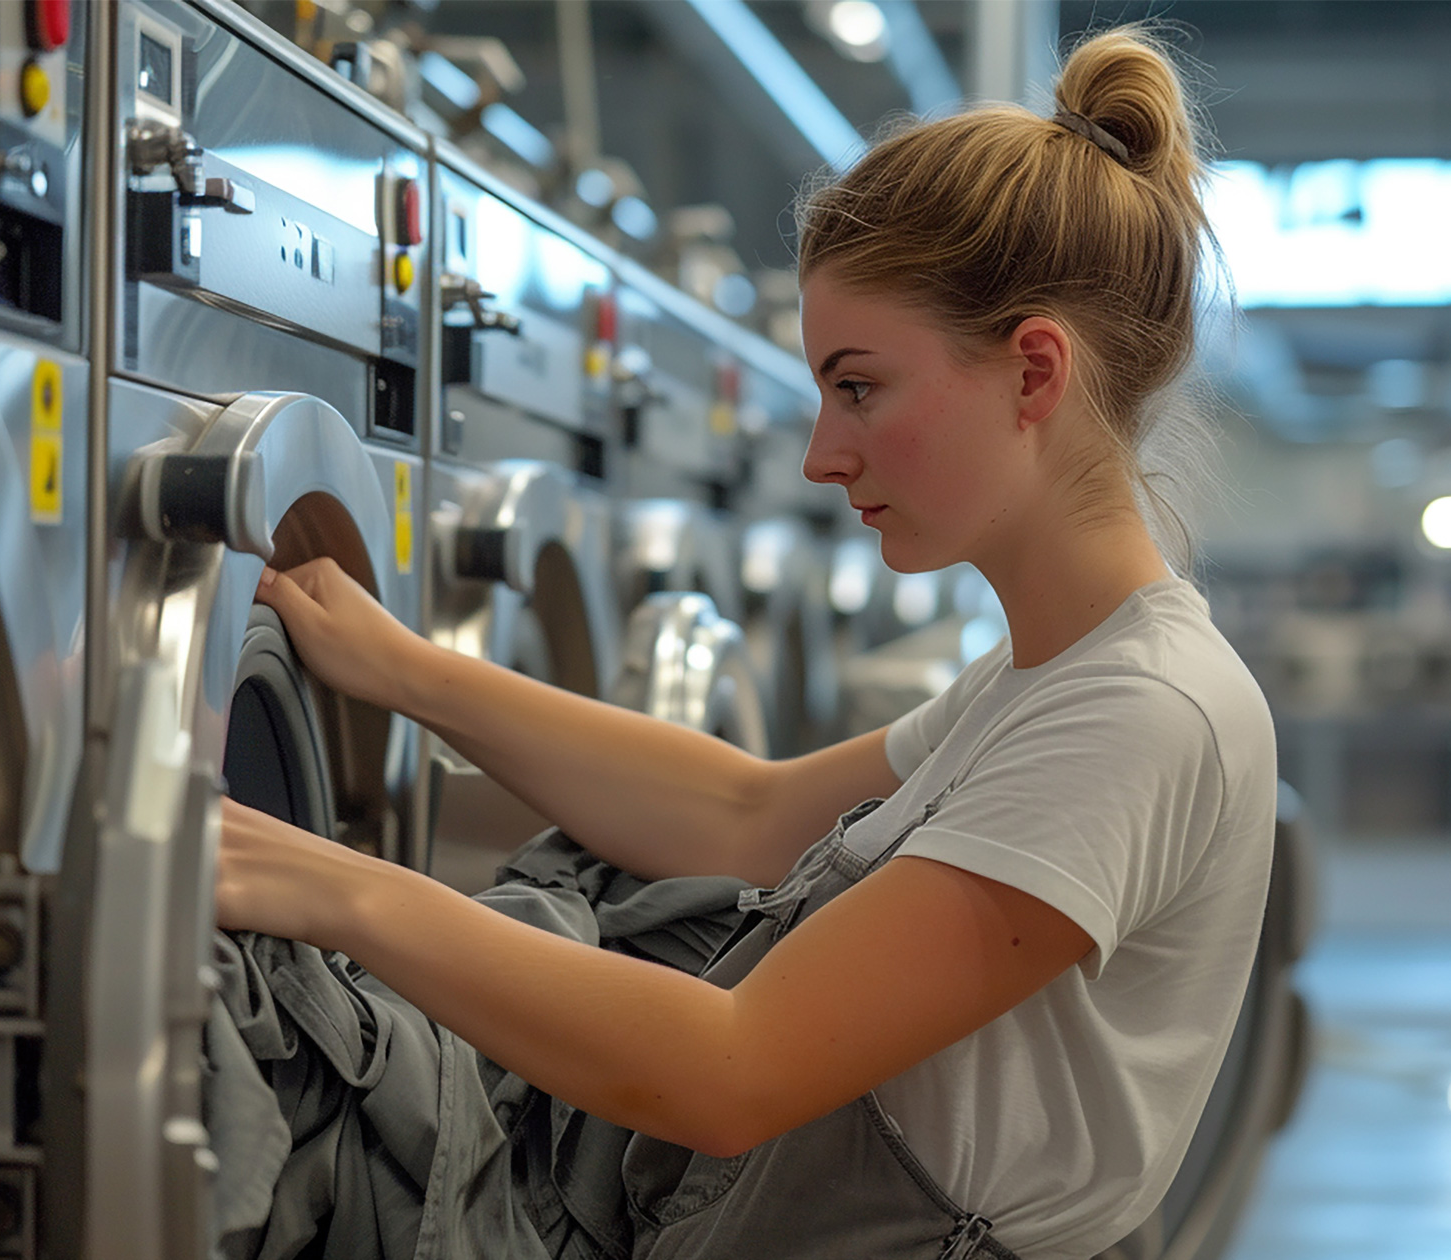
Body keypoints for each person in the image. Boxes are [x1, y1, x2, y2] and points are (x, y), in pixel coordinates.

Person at [214, 26, 1276, 1260]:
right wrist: (405, 669)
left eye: (859, 386)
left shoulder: (1138, 714)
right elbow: (738, 812)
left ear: (1032, 371)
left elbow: (729, 1071)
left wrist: (334, 885)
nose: (823, 453)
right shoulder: (1048, 681)